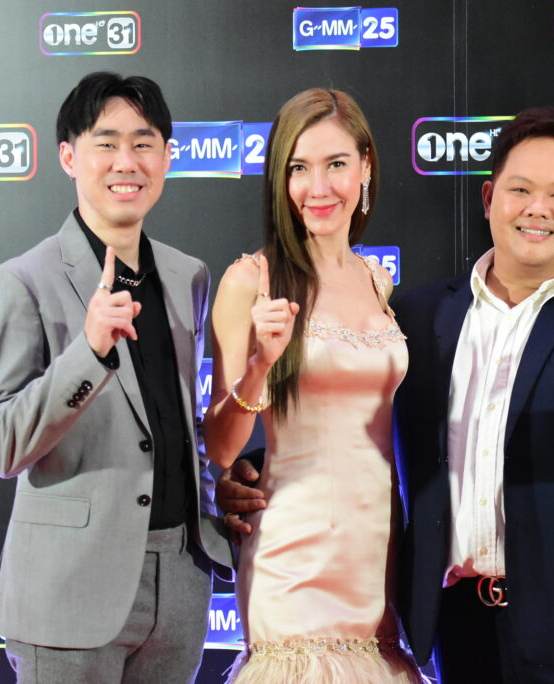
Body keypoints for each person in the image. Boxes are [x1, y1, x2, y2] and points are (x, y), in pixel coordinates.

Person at [220, 106, 554, 683]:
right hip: (453, 626)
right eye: (521, 190)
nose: (538, 208)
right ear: (489, 199)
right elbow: (356, 414)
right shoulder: (419, 314)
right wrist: (257, 467)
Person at [0, 72, 231, 683]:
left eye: (143, 143)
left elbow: (173, 424)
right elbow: (0, 443)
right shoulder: (21, 281)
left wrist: (222, 487)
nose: (127, 162)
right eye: (106, 143)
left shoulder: (188, 276)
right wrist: (88, 352)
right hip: (69, 588)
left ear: (167, 157)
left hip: (179, 585)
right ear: (69, 157)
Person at [202, 88, 422, 683]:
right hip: (293, 555)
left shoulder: (377, 281)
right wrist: (259, 365)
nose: (318, 187)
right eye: (299, 168)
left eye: (336, 164)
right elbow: (220, 447)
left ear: (366, 166)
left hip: (378, 554)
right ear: (280, 179)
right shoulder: (251, 281)